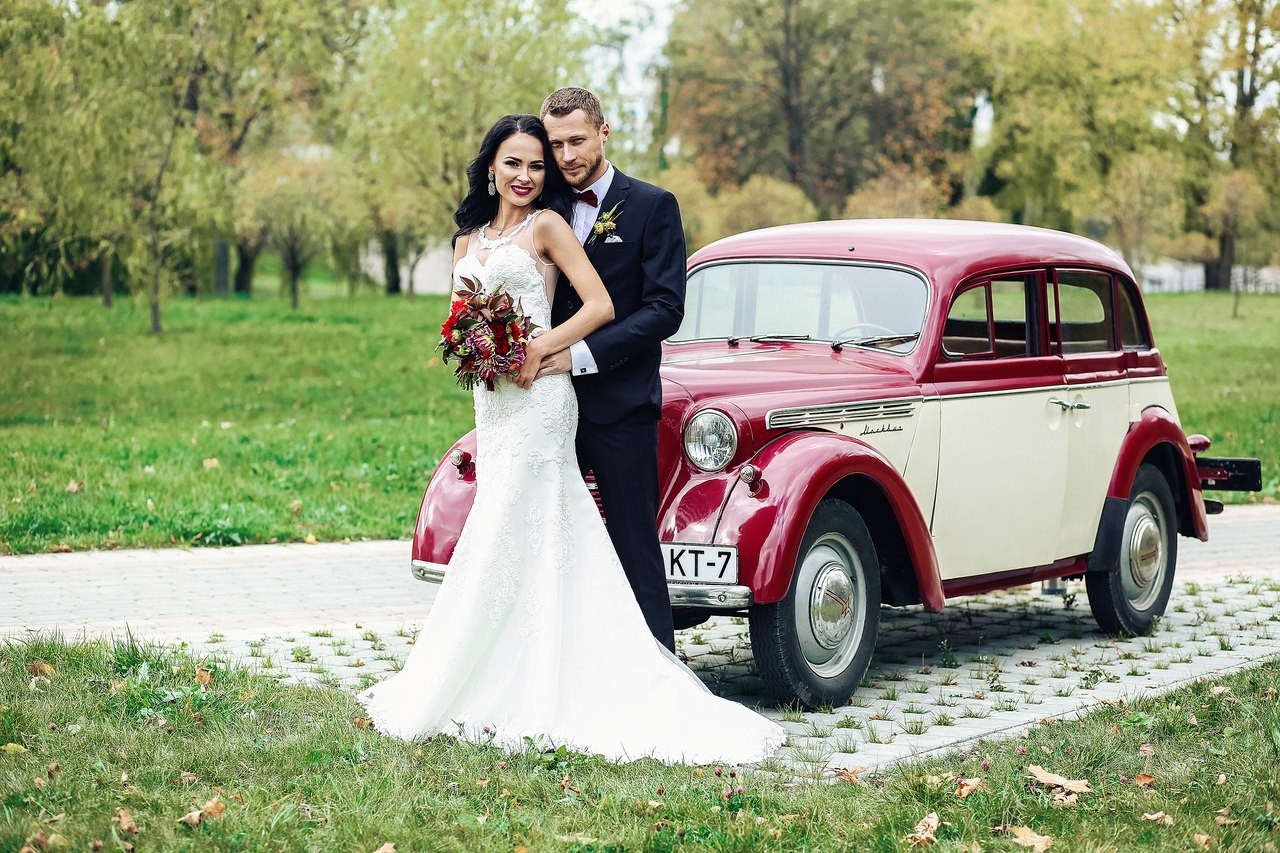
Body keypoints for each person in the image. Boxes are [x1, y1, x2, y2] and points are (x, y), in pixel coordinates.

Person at [358, 113, 784, 765]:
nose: (536, 170)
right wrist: (474, 350)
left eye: (545, 159)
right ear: (491, 166)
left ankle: (640, 671)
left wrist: (542, 349)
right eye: (522, 160)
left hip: (567, 396)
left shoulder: (579, 219)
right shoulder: (468, 236)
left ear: (601, 134)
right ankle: (489, 666)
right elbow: (461, 316)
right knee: (502, 524)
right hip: (496, 401)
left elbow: (623, 306)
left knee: (600, 534)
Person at [537, 87, 684, 652]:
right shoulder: (540, 205)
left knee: (632, 544)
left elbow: (664, 309)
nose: (567, 155)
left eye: (577, 140)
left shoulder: (652, 205)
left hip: (621, 406)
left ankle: (661, 669)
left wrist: (578, 355)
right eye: (556, 145)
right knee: (550, 538)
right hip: (545, 406)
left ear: (604, 132)